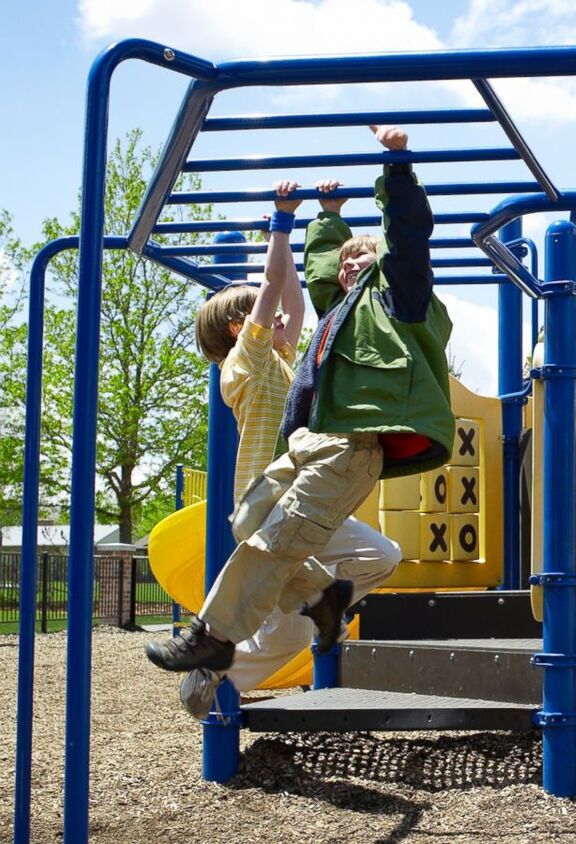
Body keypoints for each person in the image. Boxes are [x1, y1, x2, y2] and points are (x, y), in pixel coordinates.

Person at [146, 125, 454, 674]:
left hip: (349, 443)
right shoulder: (334, 318)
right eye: (346, 261)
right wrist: (327, 216)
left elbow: (405, 241)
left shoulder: (398, 303)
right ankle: (320, 597)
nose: (353, 265)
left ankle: (213, 635)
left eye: (367, 261)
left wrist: (398, 163)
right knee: (248, 523)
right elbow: (311, 280)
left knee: (276, 541)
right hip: (308, 445)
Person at [173, 179, 405, 718]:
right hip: (270, 501)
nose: (282, 320)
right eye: (265, 316)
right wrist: (281, 222)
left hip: (306, 497)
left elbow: (292, 298)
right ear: (240, 327)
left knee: (381, 557)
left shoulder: (279, 358)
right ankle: (214, 665)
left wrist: (323, 217)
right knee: (282, 638)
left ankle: (303, 604)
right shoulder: (246, 363)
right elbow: (275, 288)